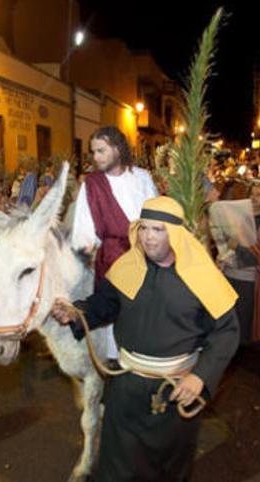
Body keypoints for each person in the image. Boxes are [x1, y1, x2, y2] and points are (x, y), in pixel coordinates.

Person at [52, 196, 240, 482]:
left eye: (158, 230)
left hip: (175, 390)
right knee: (117, 470)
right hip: (126, 387)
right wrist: (76, 312)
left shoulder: (202, 277)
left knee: (167, 474)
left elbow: (226, 333)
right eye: (144, 229)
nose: (148, 237)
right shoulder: (128, 266)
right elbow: (104, 305)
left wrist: (200, 376)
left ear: (175, 234)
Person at [70, 126, 158, 360]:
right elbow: (83, 228)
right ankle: (118, 363)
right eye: (93, 152)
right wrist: (84, 253)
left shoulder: (142, 178)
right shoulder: (92, 184)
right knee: (114, 314)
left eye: (101, 151)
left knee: (144, 310)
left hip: (144, 254)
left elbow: (156, 213)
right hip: (112, 258)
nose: (95, 157)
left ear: (118, 149)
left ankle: (144, 357)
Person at [217, 182, 260, 344]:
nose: (254, 198)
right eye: (252, 194)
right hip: (229, 276)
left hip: (250, 281)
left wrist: (238, 247)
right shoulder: (239, 218)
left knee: (244, 320)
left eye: (259, 195)